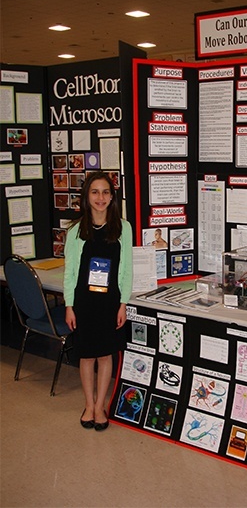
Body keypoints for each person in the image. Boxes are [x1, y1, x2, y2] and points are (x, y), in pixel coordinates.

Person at [64, 171, 133, 431]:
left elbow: (126, 271)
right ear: (87, 196)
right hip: (83, 301)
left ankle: (101, 406)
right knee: (86, 355)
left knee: (105, 355)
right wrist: (69, 305)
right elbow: (70, 271)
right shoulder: (75, 230)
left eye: (105, 192)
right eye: (95, 192)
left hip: (109, 302)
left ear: (112, 197)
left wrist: (123, 303)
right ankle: (89, 405)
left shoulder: (123, 228)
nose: (100, 197)